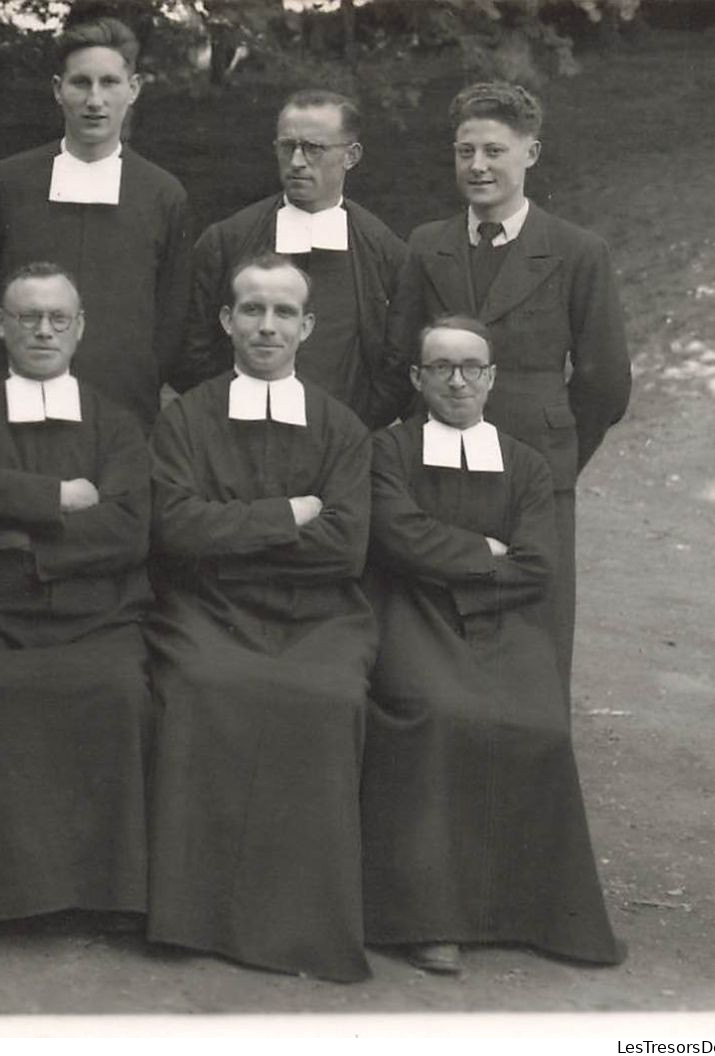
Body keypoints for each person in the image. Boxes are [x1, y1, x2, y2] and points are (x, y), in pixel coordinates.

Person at [362, 315, 623, 974]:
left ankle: (532, 912)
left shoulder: (526, 464)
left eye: (470, 367)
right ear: (417, 379)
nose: (457, 380)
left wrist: (450, 561)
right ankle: (429, 920)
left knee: (537, 724)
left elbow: (538, 565)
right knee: (435, 714)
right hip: (410, 616)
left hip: (503, 624)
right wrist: (483, 550)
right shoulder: (386, 452)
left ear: (491, 378)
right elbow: (396, 538)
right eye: (441, 367)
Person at [0, 262, 152, 932]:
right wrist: (60, 498)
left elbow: (128, 527)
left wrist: (17, 536)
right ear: (0, 328)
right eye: (27, 318)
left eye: (57, 319)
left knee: (120, 690)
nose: (43, 331)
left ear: (79, 329)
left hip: (95, 615)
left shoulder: (116, 422)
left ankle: (102, 896)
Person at [145, 253, 375, 983]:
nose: (266, 326)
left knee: (325, 698)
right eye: (251, 309)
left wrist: (233, 535)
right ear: (225, 321)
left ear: (306, 326)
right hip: (207, 611)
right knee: (202, 687)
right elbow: (176, 532)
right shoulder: (184, 419)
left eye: (282, 313)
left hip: (319, 616)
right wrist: (286, 516)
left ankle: (302, 925)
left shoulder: (341, 428)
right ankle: (193, 918)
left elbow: (344, 549)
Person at [373, 82, 631, 691]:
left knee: (531, 632)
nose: (478, 166)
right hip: (434, 464)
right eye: (465, 152)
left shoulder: (576, 251)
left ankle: (529, 769)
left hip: (533, 465)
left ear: (530, 154)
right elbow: (397, 362)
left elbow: (605, 385)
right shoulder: (426, 244)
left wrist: (554, 455)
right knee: (432, 621)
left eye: (494, 151)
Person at [0, 16, 189, 427]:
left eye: (109, 83)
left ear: (133, 89)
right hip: (13, 409)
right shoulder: (4, 185)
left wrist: (140, 377)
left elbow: (171, 318)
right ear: (58, 89)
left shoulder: (162, 195)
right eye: (80, 83)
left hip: (123, 414)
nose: (94, 99)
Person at [179, 89, 405, 418]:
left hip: (344, 443)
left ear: (351, 156)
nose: (297, 161)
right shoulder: (226, 241)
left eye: (314, 148)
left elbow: (396, 362)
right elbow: (193, 351)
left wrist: (355, 427)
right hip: (239, 433)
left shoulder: (386, 252)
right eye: (288, 147)